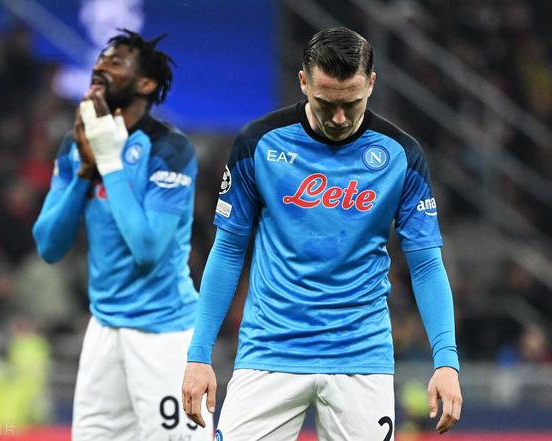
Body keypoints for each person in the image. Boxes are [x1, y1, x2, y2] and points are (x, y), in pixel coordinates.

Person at [182, 27, 462, 440]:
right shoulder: (258, 143)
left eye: (352, 103)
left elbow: (425, 265)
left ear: (371, 83)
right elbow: (227, 251)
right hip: (269, 351)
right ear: (303, 82)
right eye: (326, 103)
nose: (339, 118)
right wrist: (198, 353)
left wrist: (446, 361)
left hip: (361, 357)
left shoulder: (401, 155)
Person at [33, 29, 210, 440]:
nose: (100, 66)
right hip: (104, 328)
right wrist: (85, 170)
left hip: (163, 329)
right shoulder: (77, 145)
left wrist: (110, 162)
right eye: (100, 59)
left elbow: (147, 248)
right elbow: (48, 245)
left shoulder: (169, 149)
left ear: (145, 83)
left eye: (115, 61)